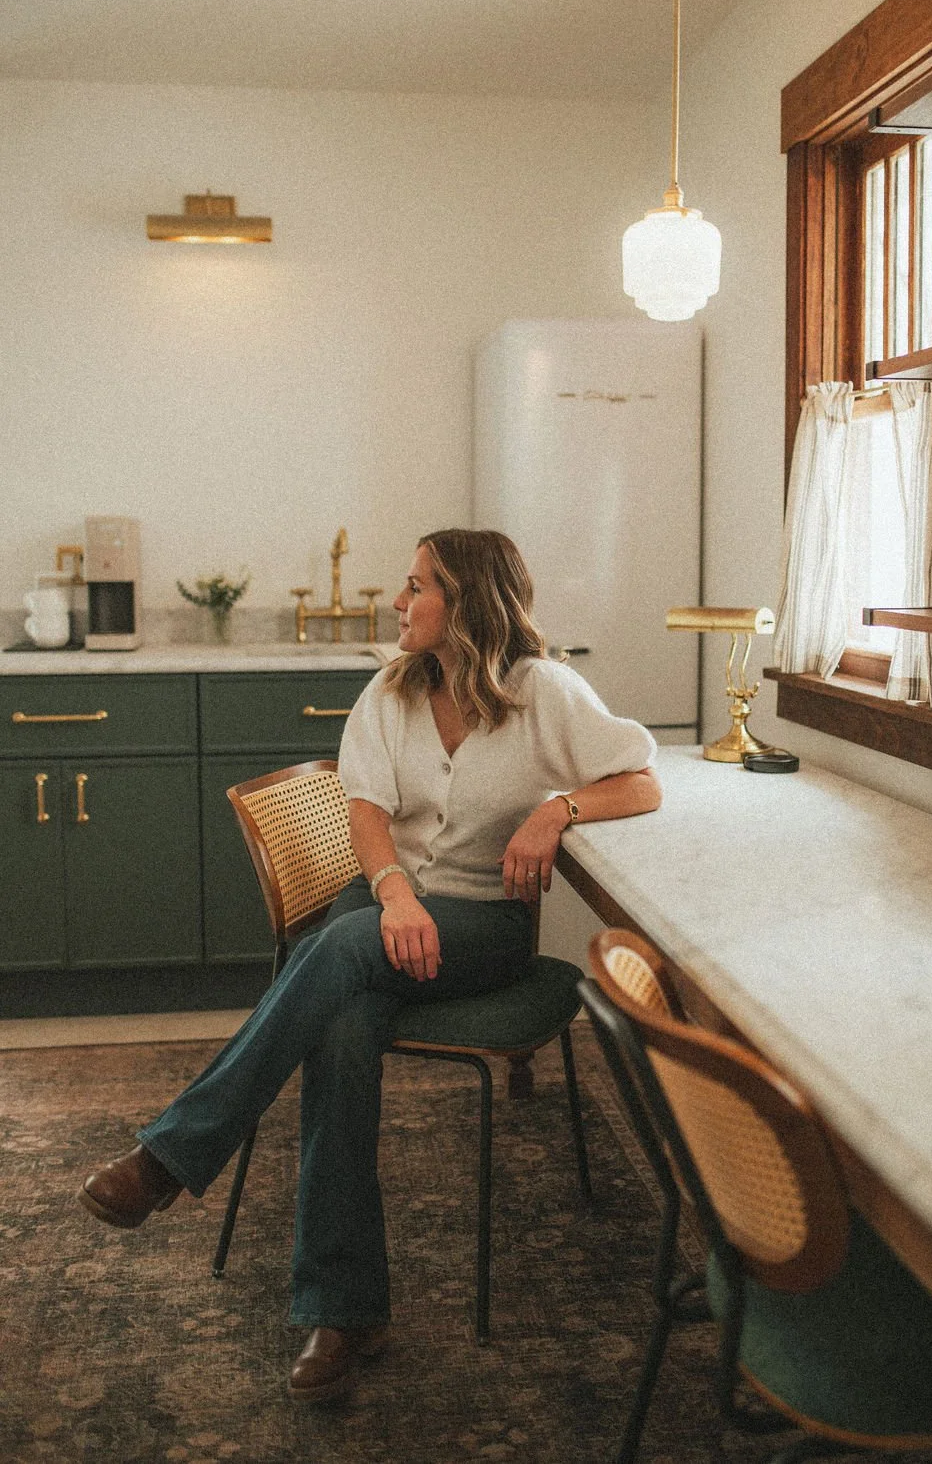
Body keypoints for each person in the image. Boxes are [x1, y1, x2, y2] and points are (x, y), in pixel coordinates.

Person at [77, 528, 662, 1402]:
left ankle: (172, 1156)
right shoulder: (391, 690)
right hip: (388, 904)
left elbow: (643, 777)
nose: (399, 600)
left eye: (417, 585)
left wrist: (558, 809)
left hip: (481, 926)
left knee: (336, 947)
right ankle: (342, 1310)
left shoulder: (544, 692)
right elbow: (365, 814)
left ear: (466, 603)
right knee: (344, 1025)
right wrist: (391, 890)